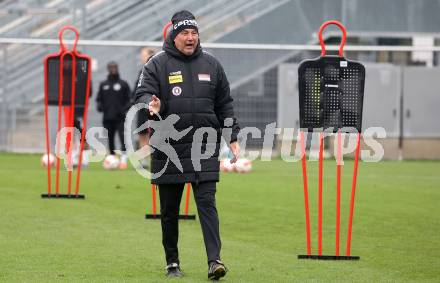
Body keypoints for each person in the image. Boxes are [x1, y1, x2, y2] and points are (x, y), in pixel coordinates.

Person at [134, 10, 239, 280]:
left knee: (207, 204)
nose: (190, 37)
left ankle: (214, 261)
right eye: (184, 33)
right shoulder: (157, 64)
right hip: (169, 149)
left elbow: (224, 103)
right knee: (169, 211)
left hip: (204, 147)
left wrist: (232, 137)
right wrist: (151, 103)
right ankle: (172, 263)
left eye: (194, 33)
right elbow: (143, 92)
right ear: (174, 35)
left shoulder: (212, 64)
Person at [96, 61, 131, 169]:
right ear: (108, 69)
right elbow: (99, 99)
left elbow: (130, 100)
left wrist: (123, 110)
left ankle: (124, 160)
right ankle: (111, 158)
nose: (113, 69)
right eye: (111, 67)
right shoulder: (104, 84)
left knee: (122, 138)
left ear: (117, 68)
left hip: (120, 118)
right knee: (110, 138)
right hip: (107, 118)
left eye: (115, 67)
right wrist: (100, 107)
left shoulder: (123, 84)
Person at [133, 47, 156, 168]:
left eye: (144, 55)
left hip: (153, 108)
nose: (142, 57)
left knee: (151, 135)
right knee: (142, 134)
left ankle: (152, 158)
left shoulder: (155, 70)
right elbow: (137, 90)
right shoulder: (142, 71)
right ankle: (144, 159)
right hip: (141, 109)